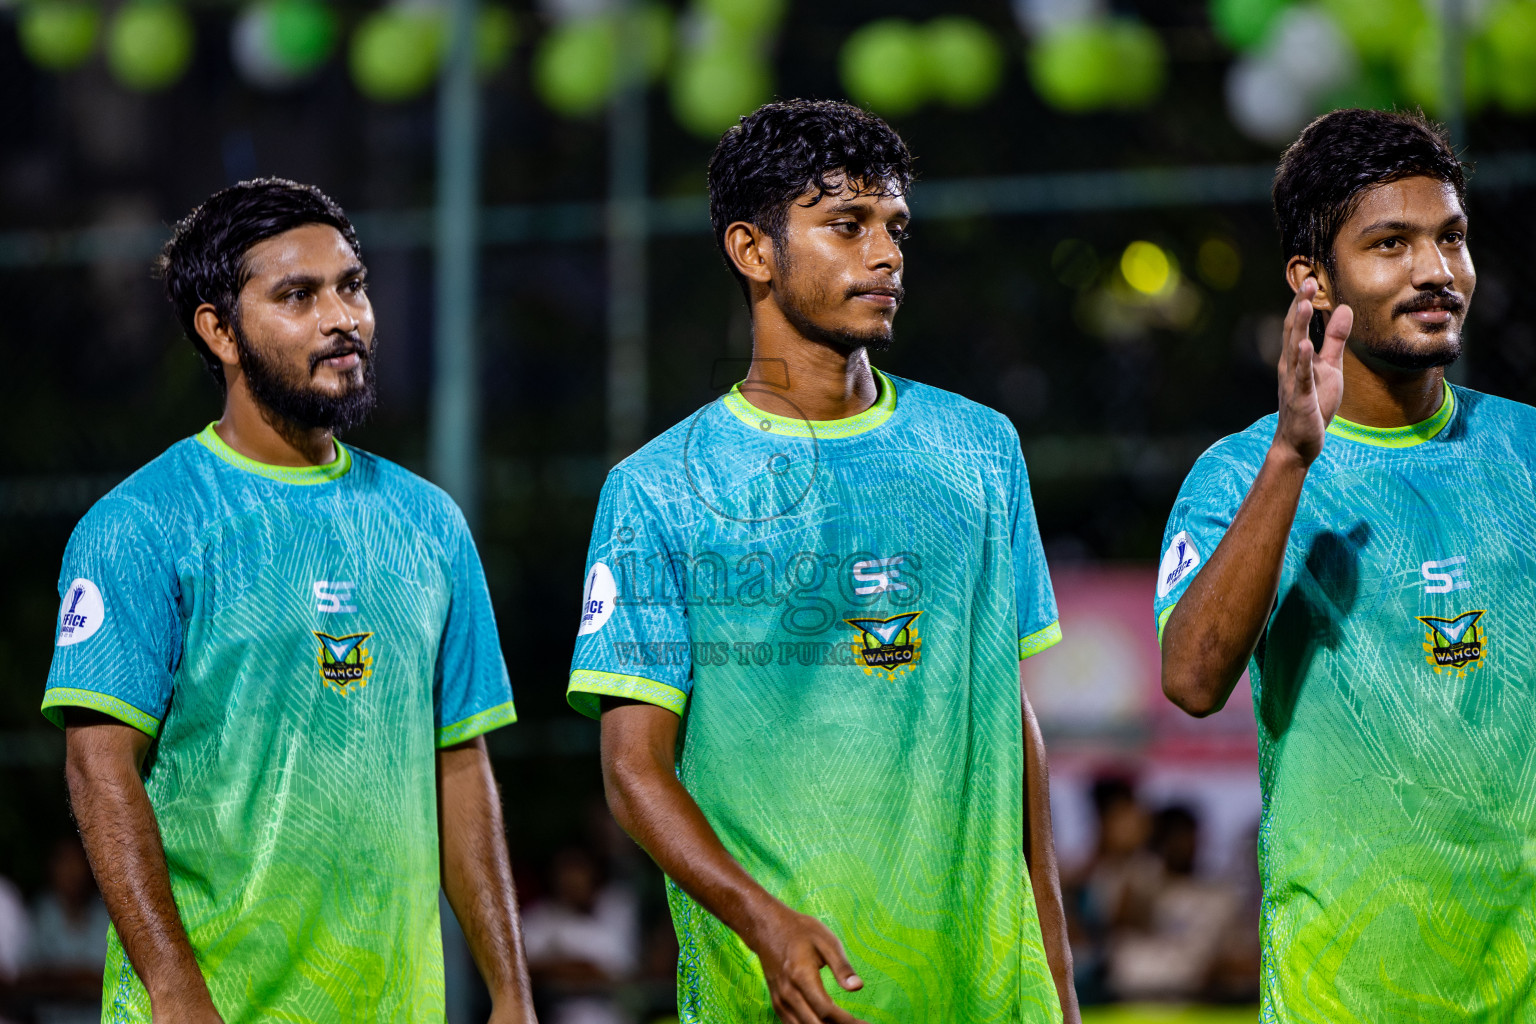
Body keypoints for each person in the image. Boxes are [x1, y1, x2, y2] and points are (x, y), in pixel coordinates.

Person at [566, 99, 1078, 1024]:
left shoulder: (982, 449)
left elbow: (1010, 724)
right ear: (753, 251)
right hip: (779, 1001)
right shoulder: (657, 489)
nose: (886, 256)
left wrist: (1058, 981)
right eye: (846, 225)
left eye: (895, 228)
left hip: (988, 998)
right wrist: (763, 922)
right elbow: (634, 774)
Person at [41, 179, 537, 1024]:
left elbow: (460, 764)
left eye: (352, 285)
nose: (343, 318)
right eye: (299, 296)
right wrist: (176, 993)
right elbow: (99, 770)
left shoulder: (429, 523)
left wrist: (512, 997)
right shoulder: (139, 525)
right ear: (220, 331)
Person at [1156, 108, 1536, 1019]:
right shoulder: (1239, 475)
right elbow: (1193, 680)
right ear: (1312, 279)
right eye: (1391, 244)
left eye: (1452, 238)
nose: (1435, 270)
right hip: (1338, 1000)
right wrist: (1293, 458)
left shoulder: (1526, 452)